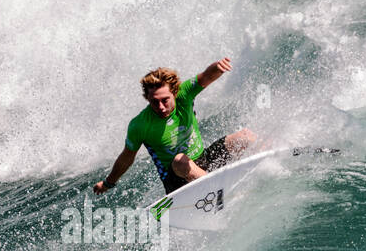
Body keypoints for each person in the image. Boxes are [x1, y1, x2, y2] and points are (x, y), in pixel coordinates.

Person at [93, 58, 258, 195]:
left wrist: (217, 67)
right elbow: (126, 157)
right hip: (177, 180)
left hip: (204, 160)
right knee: (180, 160)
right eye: (154, 102)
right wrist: (108, 183)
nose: (161, 107)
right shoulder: (140, 125)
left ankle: (266, 166)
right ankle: (219, 192)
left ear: (175, 92)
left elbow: (206, 76)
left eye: (165, 100)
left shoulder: (184, 95)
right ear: (147, 98)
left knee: (246, 137)